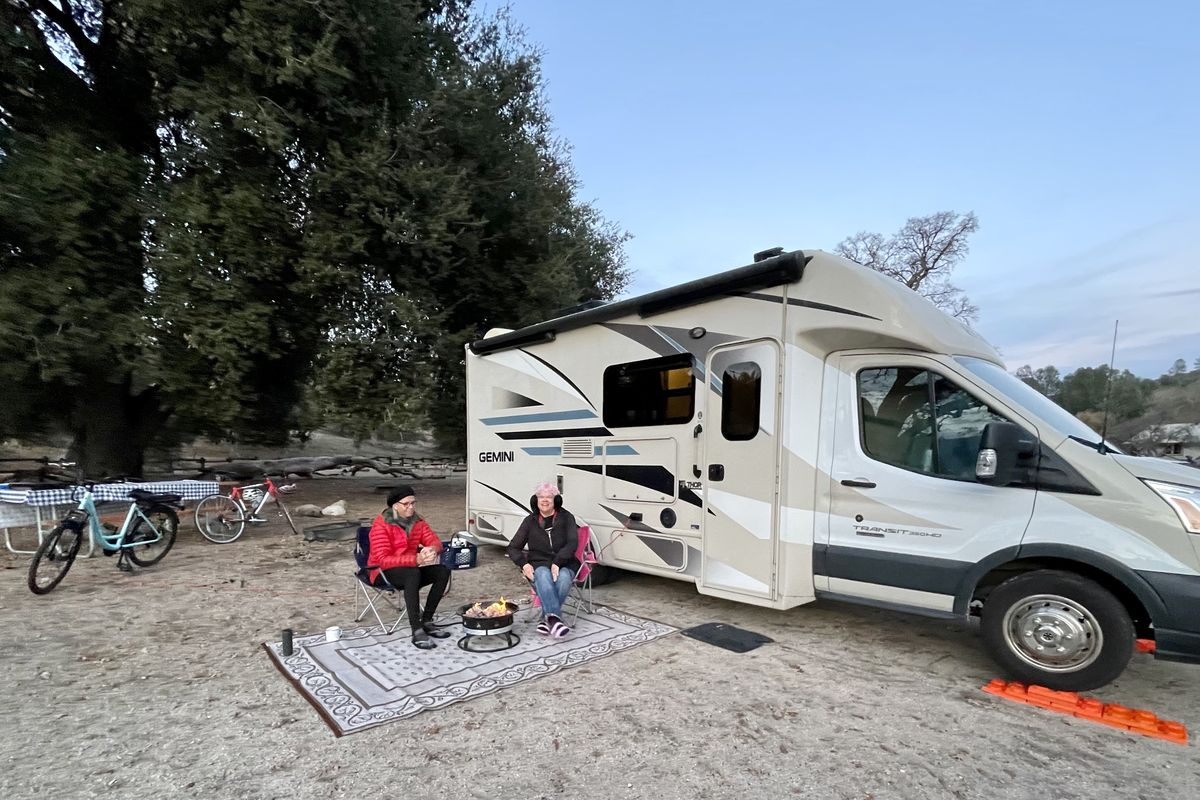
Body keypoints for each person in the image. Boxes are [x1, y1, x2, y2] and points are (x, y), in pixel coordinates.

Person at [367, 485, 451, 650]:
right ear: (395, 506)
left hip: (410, 568)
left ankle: (427, 620)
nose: (411, 507)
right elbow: (383, 560)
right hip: (381, 572)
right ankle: (416, 629)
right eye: (406, 504)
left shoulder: (417, 522)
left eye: (413, 503)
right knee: (412, 573)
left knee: (442, 570)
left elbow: (435, 541)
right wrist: (416, 559)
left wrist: (431, 550)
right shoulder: (381, 524)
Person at [506, 482, 579, 638]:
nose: (544, 500)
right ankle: (554, 620)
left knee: (564, 577)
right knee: (544, 575)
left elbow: (573, 543)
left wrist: (557, 562)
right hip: (538, 563)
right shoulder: (530, 521)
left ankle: (546, 619)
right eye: (541, 497)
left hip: (565, 562)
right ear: (535, 500)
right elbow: (512, 547)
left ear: (556, 501)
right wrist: (524, 564)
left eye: (549, 497)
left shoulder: (567, 518)